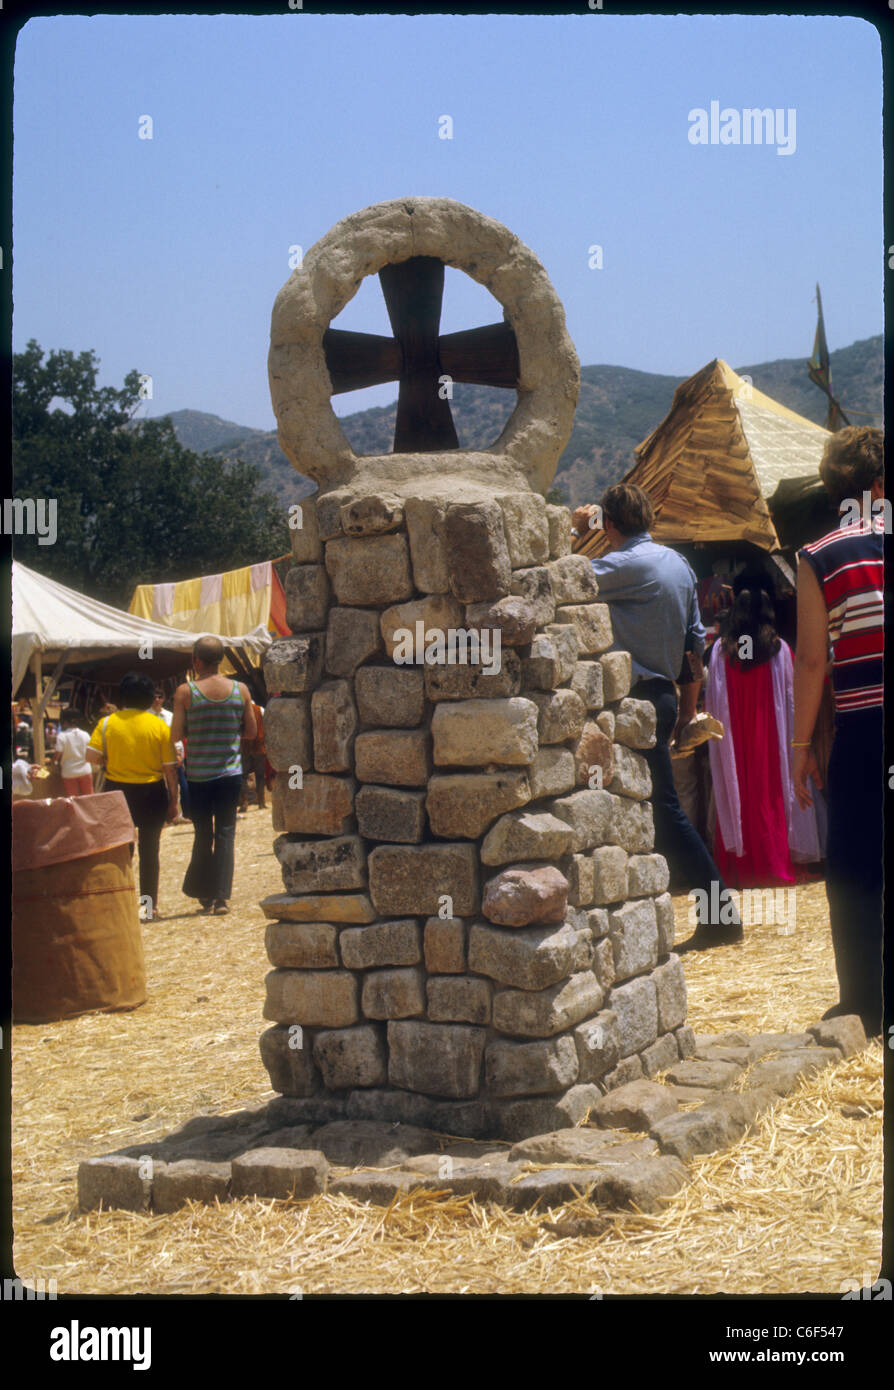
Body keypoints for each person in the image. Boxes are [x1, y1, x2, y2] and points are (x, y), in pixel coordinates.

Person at [588, 483, 741, 950]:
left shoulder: (618, 565)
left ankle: (721, 918)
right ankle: (716, 915)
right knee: (660, 807)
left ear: (609, 524)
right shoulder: (678, 564)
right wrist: (689, 709)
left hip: (633, 699)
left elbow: (560, 579)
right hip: (666, 696)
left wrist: (576, 530)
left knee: (664, 811)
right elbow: (695, 644)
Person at [793, 426, 884, 1037]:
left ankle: (866, 1001)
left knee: (854, 861)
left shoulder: (820, 556)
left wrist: (800, 747)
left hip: (866, 726)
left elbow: (811, 663)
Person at [705, 580, 822, 889]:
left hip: (734, 738)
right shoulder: (780, 651)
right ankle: (771, 862)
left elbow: (712, 701)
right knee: (769, 793)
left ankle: (740, 867)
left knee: (737, 790)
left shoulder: (720, 652)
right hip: (769, 739)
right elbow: (794, 699)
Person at [171, 636, 256, 916]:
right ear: (220, 659)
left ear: (196, 660)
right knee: (226, 833)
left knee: (202, 833)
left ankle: (203, 892)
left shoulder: (186, 692)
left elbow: (176, 735)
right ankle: (221, 898)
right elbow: (251, 732)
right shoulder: (240, 690)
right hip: (230, 774)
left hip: (198, 777)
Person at [86, 672, 180, 921]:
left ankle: (120, 906)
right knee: (150, 853)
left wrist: (109, 758)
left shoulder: (107, 723)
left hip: (118, 793)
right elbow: (170, 768)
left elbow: (91, 756)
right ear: (151, 699)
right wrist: (174, 801)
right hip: (152, 793)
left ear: (123, 697)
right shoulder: (159, 725)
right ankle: (149, 908)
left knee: (121, 854)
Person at [52, 707, 95, 797]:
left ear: (64, 721)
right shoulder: (85, 734)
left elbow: (57, 755)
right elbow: (91, 750)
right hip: (85, 770)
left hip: (69, 772)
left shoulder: (62, 736)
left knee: (73, 800)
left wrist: (51, 762)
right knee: (90, 798)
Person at [238, 700, 267, 812]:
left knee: (243, 776)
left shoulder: (240, 711)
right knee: (260, 775)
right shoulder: (260, 710)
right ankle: (261, 802)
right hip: (259, 746)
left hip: (245, 747)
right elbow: (265, 726)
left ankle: (244, 803)